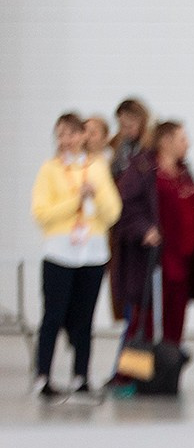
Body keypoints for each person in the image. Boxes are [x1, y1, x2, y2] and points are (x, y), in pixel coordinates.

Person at [29, 112, 122, 400]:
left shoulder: (97, 167)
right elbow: (41, 213)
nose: (66, 140)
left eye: (71, 134)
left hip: (92, 252)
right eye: (61, 135)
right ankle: (43, 376)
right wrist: (75, 201)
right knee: (53, 316)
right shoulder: (50, 169)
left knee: (85, 318)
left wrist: (95, 197)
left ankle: (81, 376)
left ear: (83, 136)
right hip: (59, 251)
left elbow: (112, 211)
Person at [149, 121, 194, 347]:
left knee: (176, 319)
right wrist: (144, 230)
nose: (187, 144)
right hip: (157, 261)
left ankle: (168, 375)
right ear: (166, 141)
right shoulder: (148, 173)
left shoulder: (185, 173)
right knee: (146, 321)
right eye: (182, 139)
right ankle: (134, 376)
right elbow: (131, 208)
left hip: (184, 261)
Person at [109, 120, 160, 349]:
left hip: (158, 255)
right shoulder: (139, 167)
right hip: (137, 254)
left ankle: (148, 376)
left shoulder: (172, 171)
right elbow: (126, 206)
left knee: (147, 319)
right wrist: (144, 230)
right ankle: (127, 375)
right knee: (137, 318)